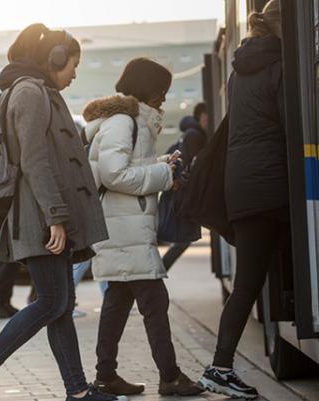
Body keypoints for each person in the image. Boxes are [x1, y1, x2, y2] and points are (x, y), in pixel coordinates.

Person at [0, 24, 120, 401]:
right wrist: (55, 216)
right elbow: (34, 160)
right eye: (73, 64)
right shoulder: (29, 92)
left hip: (43, 212)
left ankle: (77, 390)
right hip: (38, 215)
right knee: (50, 301)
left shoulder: (38, 90)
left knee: (60, 303)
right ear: (54, 58)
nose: (75, 73)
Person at [83, 58, 203, 398]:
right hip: (124, 227)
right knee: (154, 301)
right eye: (161, 90)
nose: (163, 97)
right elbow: (114, 174)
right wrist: (164, 175)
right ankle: (170, 376)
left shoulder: (128, 120)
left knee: (118, 301)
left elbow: (129, 167)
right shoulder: (123, 121)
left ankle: (106, 376)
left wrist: (164, 163)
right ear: (146, 87)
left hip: (124, 225)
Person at [196, 2, 284, 399]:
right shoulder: (280, 67)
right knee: (249, 281)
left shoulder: (238, 71)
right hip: (271, 186)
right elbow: (289, 123)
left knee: (248, 280)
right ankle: (220, 367)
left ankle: (221, 366)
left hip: (244, 187)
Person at [159, 103, 208, 271]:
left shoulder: (189, 133)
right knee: (182, 239)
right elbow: (193, 165)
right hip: (187, 192)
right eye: (207, 115)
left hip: (183, 190)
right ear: (201, 115)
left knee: (183, 239)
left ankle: (160, 269)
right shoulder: (194, 135)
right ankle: (160, 269)